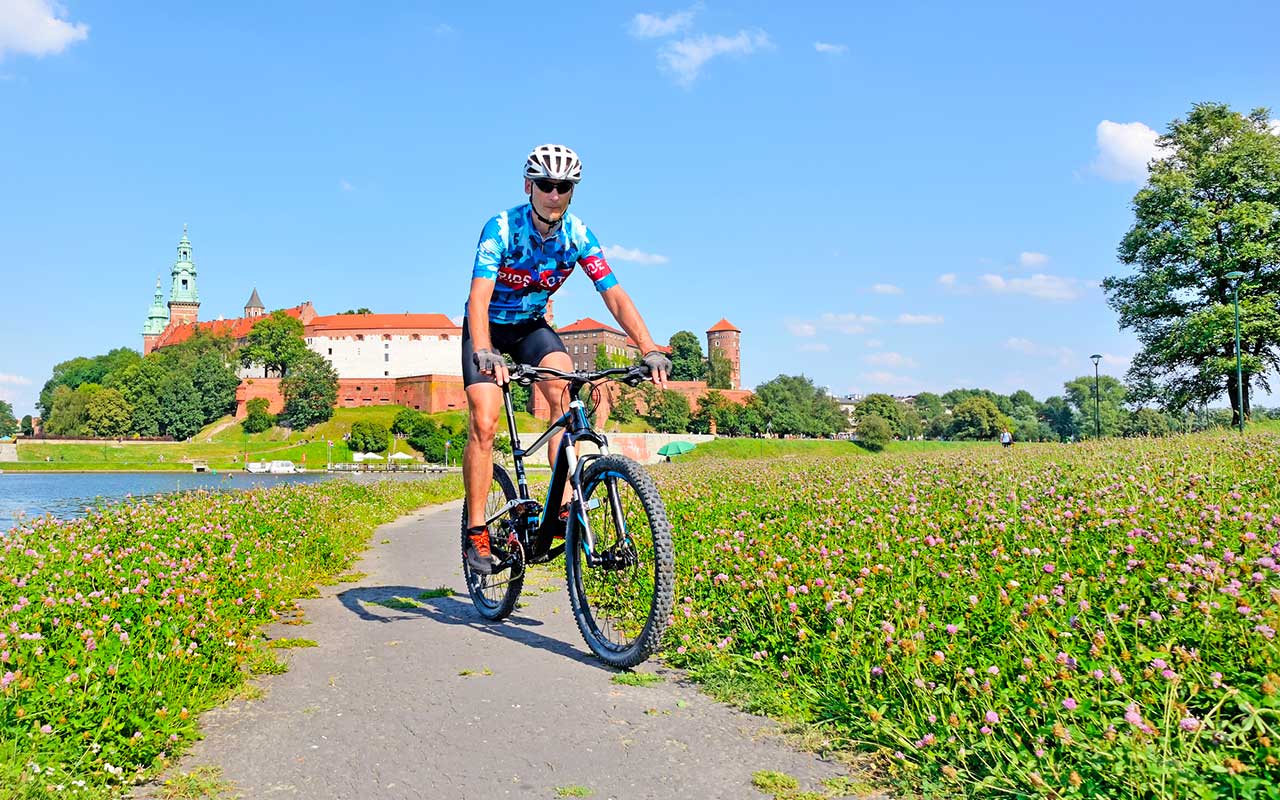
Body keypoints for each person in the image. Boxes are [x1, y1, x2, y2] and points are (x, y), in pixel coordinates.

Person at [461, 144, 672, 575]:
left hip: (531, 327)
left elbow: (614, 295)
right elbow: (478, 296)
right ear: (529, 186)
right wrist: (483, 349)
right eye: (545, 185)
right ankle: (477, 529)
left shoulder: (578, 235)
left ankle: (559, 508)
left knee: (565, 390)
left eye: (563, 186)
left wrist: (649, 348)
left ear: (572, 191)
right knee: (484, 420)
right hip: (487, 328)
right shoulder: (501, 228)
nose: (554, 194)